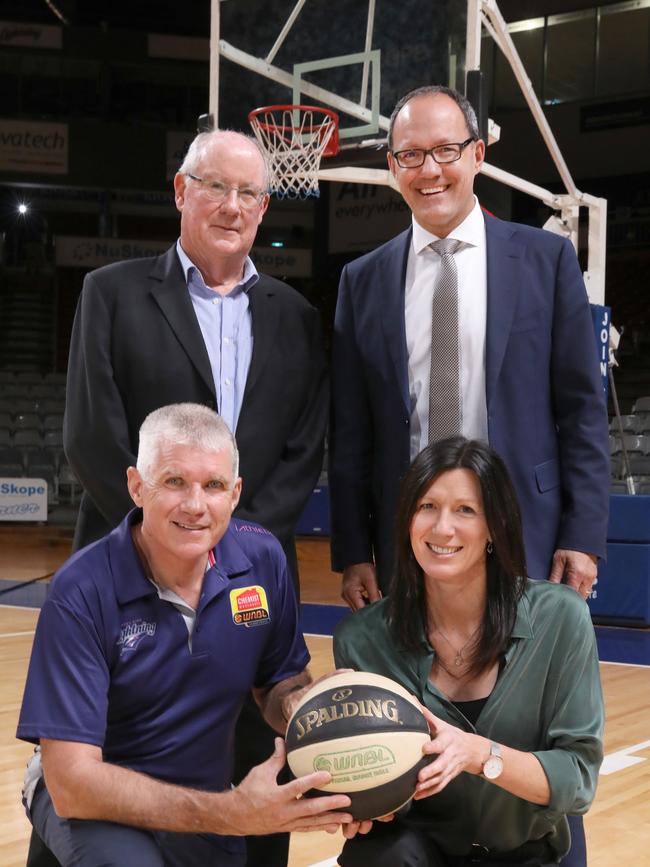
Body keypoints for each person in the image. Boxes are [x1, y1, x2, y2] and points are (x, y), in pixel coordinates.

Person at [61, 128, 327, 867]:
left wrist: (224, 555)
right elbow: (90, 434)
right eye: (216, 186)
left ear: (265, 207)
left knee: (255, 766)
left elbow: (303, 450)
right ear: (182, 191)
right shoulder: (110, 292)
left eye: (248, 193)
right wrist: (169, 547)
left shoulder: (296, 318)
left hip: (247, 587)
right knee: (114, 789)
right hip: (127, 580)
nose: (232, 205)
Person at [18, 404, 353, 867]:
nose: (196, 505)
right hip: (89, 796)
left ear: (235, 494)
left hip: (198, 799)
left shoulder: (261, 560)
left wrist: (308, 707)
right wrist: (232, 813)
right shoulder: (83, 588)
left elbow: (280, 684)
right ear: (136, 486)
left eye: (213, 485)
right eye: (174, 481)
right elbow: (74, 784)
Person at [329, 85, 609, 608]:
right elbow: (350, 433)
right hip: (408, 534)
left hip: (526, 525)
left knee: (524, 684)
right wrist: (353, 550)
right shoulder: (360, 281)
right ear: (393, 166)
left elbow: (582, 413)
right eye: (411, 155)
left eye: (445, 150)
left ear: (476, 154)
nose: (429, 170)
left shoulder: (547, 262)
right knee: (412, 683)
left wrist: (583, 535)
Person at [334, 437, 604, 867]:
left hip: (526, 853)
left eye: (466, 510)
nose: (442, 528)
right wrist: (361, 797)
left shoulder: (560, 618)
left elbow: (578, 778)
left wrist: (478, 754)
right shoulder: (362, 639)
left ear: (494, 527)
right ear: (407, 520)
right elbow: (384, 790)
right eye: (427, 507)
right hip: (417, 851)